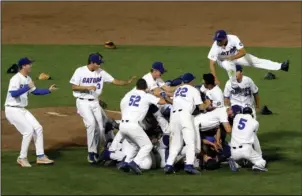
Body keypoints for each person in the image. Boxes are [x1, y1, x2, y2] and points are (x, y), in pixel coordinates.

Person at [69, 53, 136, 164]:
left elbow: (114, 81)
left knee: (101, 127)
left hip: (95, 102)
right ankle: (91, 153)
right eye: (98, 63)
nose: (100, 65)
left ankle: (108, 145)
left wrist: (127, 82)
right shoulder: (80, 71)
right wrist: (86, 88)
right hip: (83, 102)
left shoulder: (101, 72)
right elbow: (74, 87)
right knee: (91, 124)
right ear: (92, 63)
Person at [4, 57, 58, 167]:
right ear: (24, 66)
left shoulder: (28, 78)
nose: (31, 66)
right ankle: (22, 158)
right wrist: (27, 87)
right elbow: (13, 94)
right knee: (28, 130)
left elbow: (35, 91)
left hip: (22, 109)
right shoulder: (16, 79)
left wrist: (48, 90)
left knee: (38, 128)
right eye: (29, 64)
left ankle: (41, 156)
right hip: (12, 109)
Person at [117, 78, 171, 174]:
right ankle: (135, 163)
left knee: (135, 145)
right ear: (146, 87)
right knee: (147, 145)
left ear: (137, 86)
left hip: (122, 125)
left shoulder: (127, 95)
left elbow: (122, 105)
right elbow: (162, 102)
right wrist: (163, 95)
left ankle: (125, 163)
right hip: (133, 125)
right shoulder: (146, 96)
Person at [164, 73, 211, 175]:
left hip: (174, 117)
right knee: (190, 142)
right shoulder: (193, 90)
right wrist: (207, 103)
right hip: (185, 116)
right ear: (191, 81)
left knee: (176, 144)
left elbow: (172, 102)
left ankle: (168, 165)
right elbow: (201, 107)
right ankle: (189, 165)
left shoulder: (177, 91)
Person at [208, 29, 289, 85]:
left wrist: (232, 58)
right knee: (229, 66)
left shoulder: (233, 38)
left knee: (255, 60)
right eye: (217, 40)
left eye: (220, 40)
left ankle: (280, 66)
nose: (218, 41)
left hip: (236, 56)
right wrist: (215, 78)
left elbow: (243, 52)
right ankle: (234, 85)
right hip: (223, 61)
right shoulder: (215, 46)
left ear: (225, 38)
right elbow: (212, 63)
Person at [229, 107, 267, 172]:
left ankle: (235, 162)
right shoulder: (255, 122)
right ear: (251, 114)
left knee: (240, 160)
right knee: (262, 162)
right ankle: (257, 166)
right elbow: (253, 136)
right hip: (246, 150)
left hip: (233, 152)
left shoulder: (237, 117)